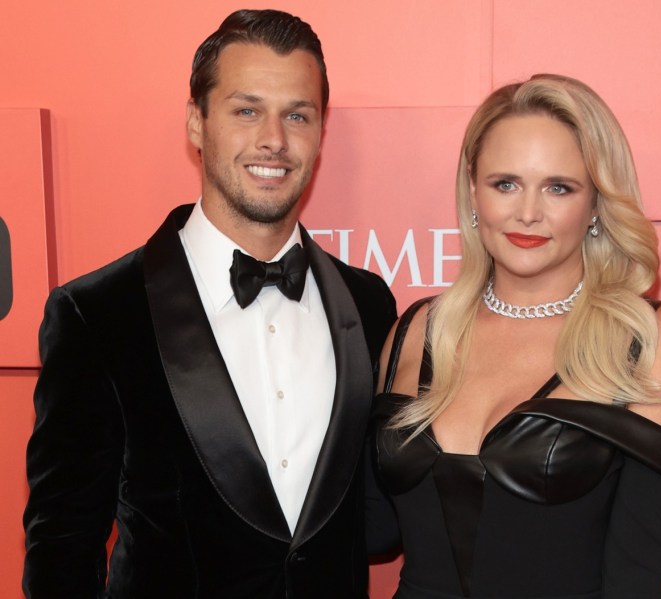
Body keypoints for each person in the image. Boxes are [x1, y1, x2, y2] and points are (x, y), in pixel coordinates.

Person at [23, 9, 396, 599]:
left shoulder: (369, 303)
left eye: (297, 114)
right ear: (196, 122)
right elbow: (63, 545)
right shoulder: (97, 313)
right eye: (246, 110)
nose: (274, 139)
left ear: (321, 131)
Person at [369, 74, 661, 598]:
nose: (527, 212)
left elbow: (639, 579)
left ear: (596, 202)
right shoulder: (416, 330)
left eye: (559, 187)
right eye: (505, 183)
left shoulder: (645, 341)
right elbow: (372, 528)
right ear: (473, 190)